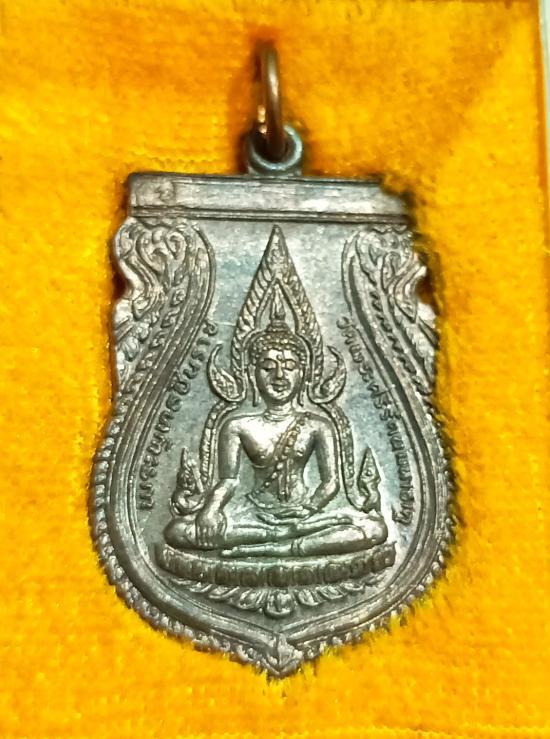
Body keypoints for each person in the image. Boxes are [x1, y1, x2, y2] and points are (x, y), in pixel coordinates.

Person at [164, 306, 387, 558]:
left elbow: (330, 483)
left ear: (303, 374)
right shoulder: (237, 426)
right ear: (252, 375)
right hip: (253, 513)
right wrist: (210, 510)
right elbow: (229, 480)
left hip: (304, 514)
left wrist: (309, 509)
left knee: (374, 529)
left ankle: (280, 543)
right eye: (268, 367)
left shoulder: (318, 425)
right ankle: (285, 538)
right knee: (177, 531)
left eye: (289, 366)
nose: (279, 375)